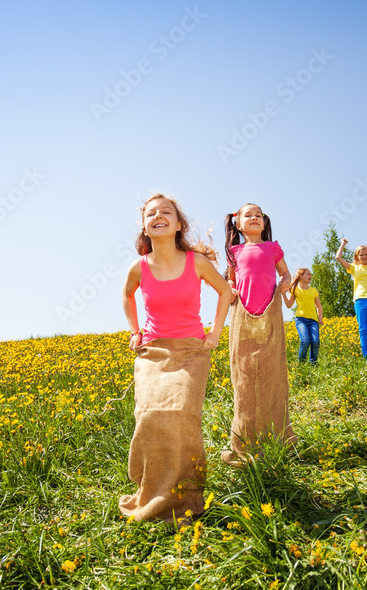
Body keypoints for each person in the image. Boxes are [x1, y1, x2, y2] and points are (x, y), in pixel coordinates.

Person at [120, 194, 232, 526]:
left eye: (165, 212)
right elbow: (127, 295)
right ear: (145, 226)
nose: (158, 215)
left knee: (181, 413)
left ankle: (186, 495)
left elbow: (225, 291)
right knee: (149, 415)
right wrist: (135, 331)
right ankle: (151, 490)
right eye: (150, 213)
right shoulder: (138, 267)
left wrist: (215, 332)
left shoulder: (195, 263)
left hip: (190, 351)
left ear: (178, 224)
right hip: (153, 350)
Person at [222, 203, 296, 465]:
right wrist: (230, 288)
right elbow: (231, 280)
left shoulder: (272, 248)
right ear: (238, 225)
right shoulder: (234, 251)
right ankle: (244, 439)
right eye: (247, 215)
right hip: (243, 318)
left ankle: (276, 436)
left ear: (264, 223)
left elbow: (284, 273)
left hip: (269, 317)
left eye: (258, 215)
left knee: (270, 372)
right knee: (244, 376)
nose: (254, 217)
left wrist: (286, 281)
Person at [336, 239, 367, 358]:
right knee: (363, 329)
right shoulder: (353, 268)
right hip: (359, 300)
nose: (364, 256)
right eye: (361, 254)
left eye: (366, 254)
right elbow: (338, 258)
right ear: (357, 256)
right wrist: (343, 244)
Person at [282, 268, 323, 364]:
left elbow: (319, 306)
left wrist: (320, 317)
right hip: (301, 320)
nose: (310, 276)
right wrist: (283, 294)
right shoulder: (295, 290)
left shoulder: (313, 290)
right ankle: (301, 364)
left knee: (315, 342)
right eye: (308, 274)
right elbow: (289, 305)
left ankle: (313, 364)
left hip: (313, 321)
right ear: (301, 277)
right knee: (305, 341)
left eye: (310, 274)